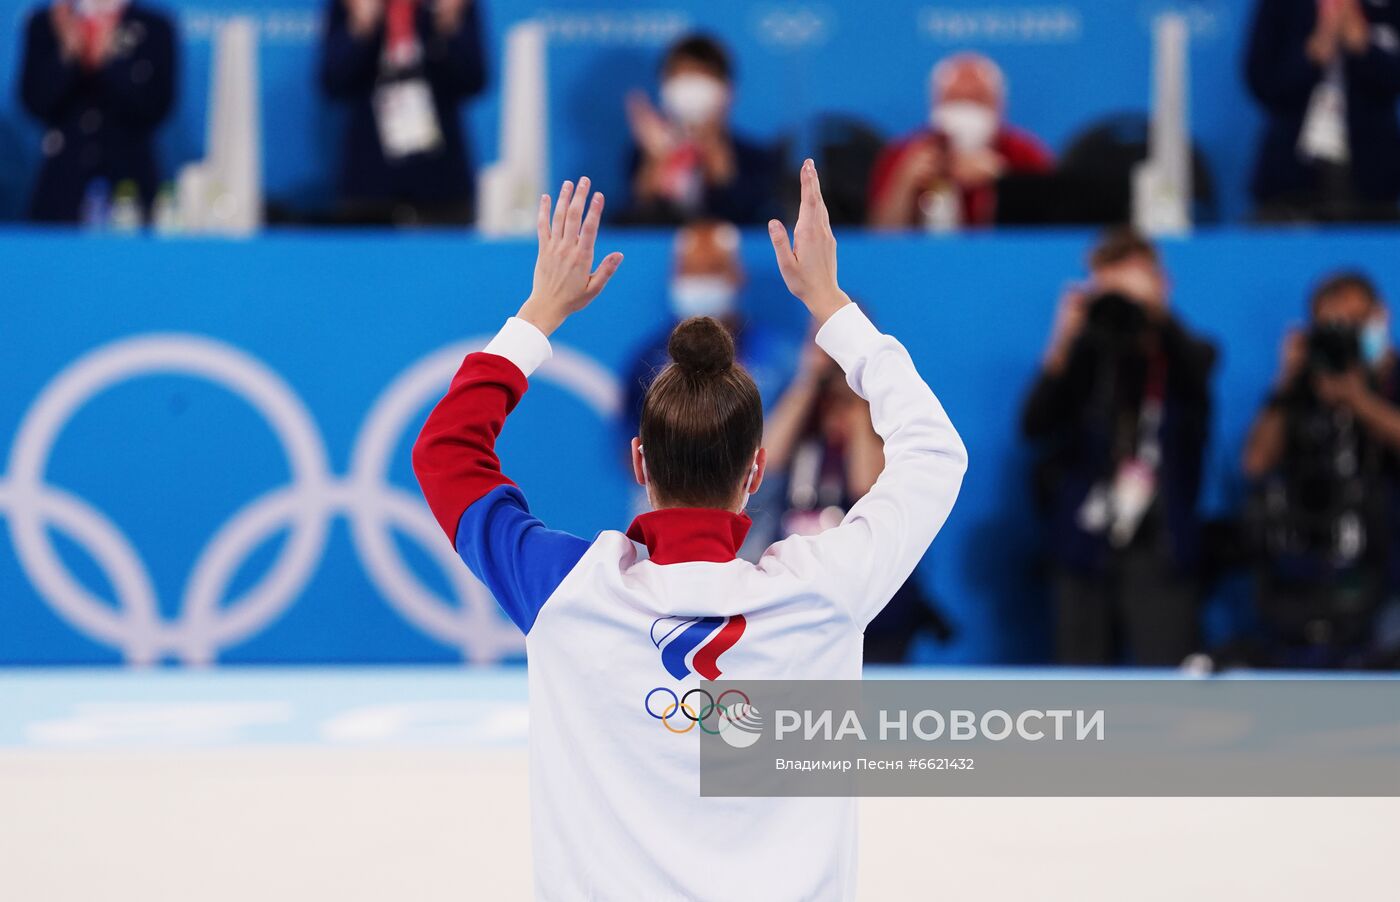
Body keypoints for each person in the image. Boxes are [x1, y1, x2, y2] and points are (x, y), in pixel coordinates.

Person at [412, 161, 966, 897]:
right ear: (756, 471)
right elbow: (933, 451)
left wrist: (536, 317)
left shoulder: (567, 592)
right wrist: (833, 310)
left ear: (640, 462)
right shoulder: (824, 591)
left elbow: (446, 452)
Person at [1021, 230, 1216, 667]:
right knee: (1082, 698)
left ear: (1162, 284)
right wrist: (1065, 338)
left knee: (1168, 691)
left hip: (1161, 548)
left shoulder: (1188, 356)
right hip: (1085, 547)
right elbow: (1034, 425)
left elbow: (1197, 378)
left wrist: (1156, 314)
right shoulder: (1087, 357)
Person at [761, 334, 957, 662]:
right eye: (813, 340)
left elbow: (866, 484)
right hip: (802, 590)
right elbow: (770, 457)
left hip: (868, 590)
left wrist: (857, 403)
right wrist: (807, 382)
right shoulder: (803, 411)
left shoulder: (878, 415)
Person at [1240, 272, 1400, 665]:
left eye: (1354, 322)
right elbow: (1256, 462)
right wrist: (1287, 380)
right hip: (1314, 575)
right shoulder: (1303, 391)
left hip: (1390, 572)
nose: (1344, 334)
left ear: (1379, 318)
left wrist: (1358, 400)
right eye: (1332, 326)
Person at [320, 0, 486, 225]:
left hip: (441, 181)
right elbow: (333, 83)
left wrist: (449, 26)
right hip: (370, 181)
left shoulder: (451, 5)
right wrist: (361, 26)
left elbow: (474, 80)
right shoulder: (353, 4)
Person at [17, 0, 176, 223]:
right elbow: (35, 102)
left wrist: (110, 62)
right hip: (62, 189)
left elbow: (156, 106)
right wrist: (68, 54)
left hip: (130, 185)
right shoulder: (48, 23)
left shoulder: (154, 26)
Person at [1245, 0, 1400, 222]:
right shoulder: (1281, 6)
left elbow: (1393, 78)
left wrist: (1365, 48)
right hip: (1290, 177)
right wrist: (1312, 55)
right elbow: (1261, 79)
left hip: (1374, 175)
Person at [868, 52, 1052, 231]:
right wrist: (906, 182)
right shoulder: (907, 153)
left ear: (999, 105)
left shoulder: (1025, 154)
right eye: (955, 99)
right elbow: (880, 238)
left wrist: (1004, 183)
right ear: (935, 103)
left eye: (977, 99)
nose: (965, 109)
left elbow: (1050, 231)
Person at [618, 33, 782, 225]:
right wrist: (657, 160)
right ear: (664, 86)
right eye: (681, 74)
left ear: (727, 90)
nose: (691, 87)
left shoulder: (756, 159)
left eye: (702, 75)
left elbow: (749, 218)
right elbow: (635, 220)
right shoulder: (641, 154)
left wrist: (714, 152)